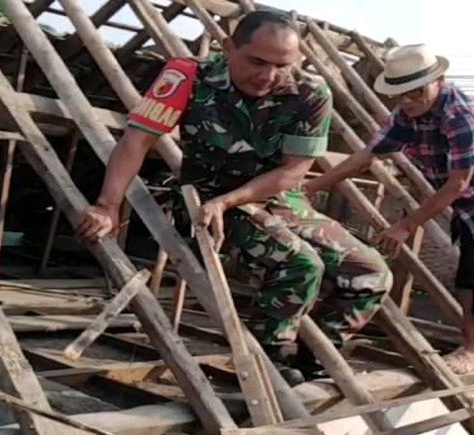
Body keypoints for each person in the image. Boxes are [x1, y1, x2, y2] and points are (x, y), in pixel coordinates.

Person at [75, 10, 392, 384]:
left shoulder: (310, 93)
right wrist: (107, 204)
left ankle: (314, 359)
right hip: (203, 200)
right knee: (302, 264)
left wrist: (231, 201)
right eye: (257, 61)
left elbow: (293, 172)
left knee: (372, 272)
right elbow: (137, 139)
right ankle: (267, 357)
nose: (268, 75)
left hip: (276, 198)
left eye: (281, 65)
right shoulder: (188, 75)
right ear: (229, 48)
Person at [305, 44, 474, 374]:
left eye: (417, 92)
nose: (410, 101)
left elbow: (457, 184)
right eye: (402, 95)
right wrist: (310, 187)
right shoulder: (405, 116)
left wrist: (407, 225)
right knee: (469, 272)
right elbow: (365, 155)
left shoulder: (462, 117)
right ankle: (469, 341)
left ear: (440, 80)